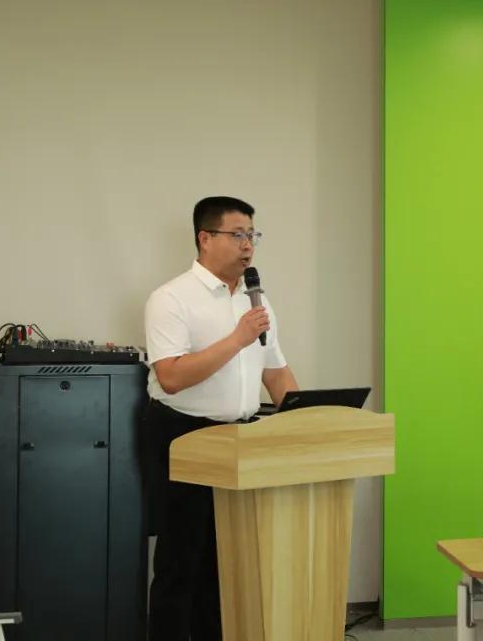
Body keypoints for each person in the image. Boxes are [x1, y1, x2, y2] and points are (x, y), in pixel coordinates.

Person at [144, 196, 299, 640]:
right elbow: (171, 377)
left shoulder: (255, 300)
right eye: (238, 235)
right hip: (184, 435)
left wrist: (306, 418)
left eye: (252, 235)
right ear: (205, 238)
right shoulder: (170, 298)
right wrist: (237, 338)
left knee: (226, 561)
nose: (248, 245)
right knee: (182, 562)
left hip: (240, 439)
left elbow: (275, 371)